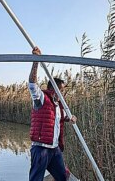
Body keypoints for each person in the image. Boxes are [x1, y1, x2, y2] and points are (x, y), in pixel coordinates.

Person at [28, 47, 77, 181]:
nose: (63, 93)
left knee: (63, 177)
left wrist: (70, 119)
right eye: (61, 90)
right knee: (36, 179)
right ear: (53, 89)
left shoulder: (59, 105)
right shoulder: (42, 98)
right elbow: (32, 85)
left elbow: (57, 119)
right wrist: (36, 60)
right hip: (41, 149)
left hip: (54, 149)